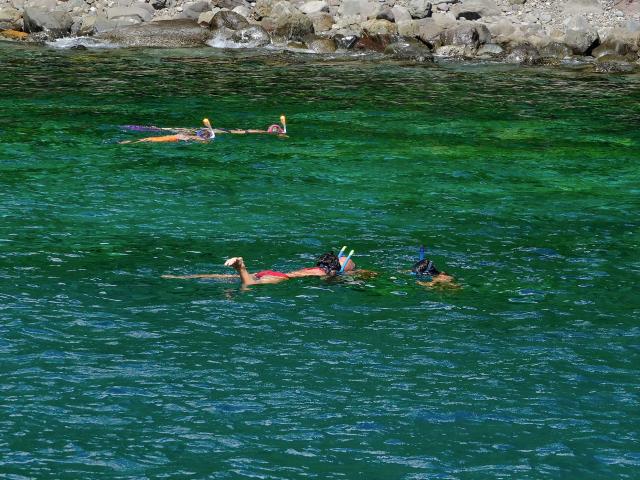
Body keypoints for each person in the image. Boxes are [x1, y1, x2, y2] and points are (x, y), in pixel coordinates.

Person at [162, 250, 359, 287]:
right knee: (249, 285)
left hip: (273, 271)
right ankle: (240, 267)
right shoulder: (324, 274)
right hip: (282, 278)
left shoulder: (316, 268)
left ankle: (184, 277)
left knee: (223, 277)